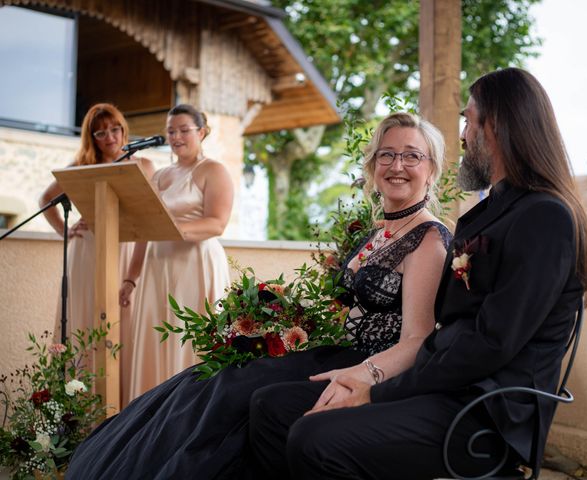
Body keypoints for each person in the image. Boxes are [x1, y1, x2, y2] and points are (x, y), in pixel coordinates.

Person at [249, 68, 587, 480]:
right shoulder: (493, 213)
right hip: (439, 387)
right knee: (271, 408)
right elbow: (450, 331)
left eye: (469, 121)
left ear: (498, 127)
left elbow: (490, 344)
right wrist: (366, 376)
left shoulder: (545, 217)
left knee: (314, 436)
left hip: (483, 413)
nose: (464, 135)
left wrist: (377, 390)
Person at [65, 112, 452, 479]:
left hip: (370, 363)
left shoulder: (427, 239)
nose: (397, 165)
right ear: (372, 166)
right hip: (335, 349)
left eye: (412, 156)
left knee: (241, 394)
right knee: (213, 377)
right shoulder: (381, 231)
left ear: (431, 169)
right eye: (387, 154)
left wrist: (360, 376)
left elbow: (417, 340)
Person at [39, 103, 154, 404]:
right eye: (101, 132)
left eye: (115, 129)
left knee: (121, 324)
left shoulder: (143, 165)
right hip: (86, 250)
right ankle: (79, 408)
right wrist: (65, 228)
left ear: (123, 129)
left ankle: (119, 407)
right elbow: (45, 199)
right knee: (83, 320)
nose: (110, 137)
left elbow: (147, 223)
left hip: (124, 248)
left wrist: (132, 277)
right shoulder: (81, 165)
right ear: (92, 136)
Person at [118, 104, 234, 402]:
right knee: (156, 339)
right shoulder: (160, 175)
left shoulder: (214, 170)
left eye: (184, 130)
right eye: (171, 131)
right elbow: (145, 229)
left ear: (202, 132)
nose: (176, 136)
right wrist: (131, 278)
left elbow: (217, 223)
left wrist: (169, 227)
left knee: (189, 339)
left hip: (195, 265)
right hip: (157, 268)